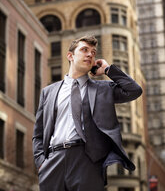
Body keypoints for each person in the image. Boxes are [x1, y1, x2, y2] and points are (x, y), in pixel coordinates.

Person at [32, 35, 142, 191]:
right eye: (84, 50)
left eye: (93, 52)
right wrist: (41, 162)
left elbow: (134, 90)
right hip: (53, 160)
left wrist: (108, 70)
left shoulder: (103, 89)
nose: (90, 54)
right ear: (70, 56)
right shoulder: (48, 92)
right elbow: (39, 133)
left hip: (87, 160)